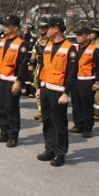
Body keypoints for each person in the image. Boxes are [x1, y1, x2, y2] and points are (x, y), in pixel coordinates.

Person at [36, 16, 77, 167]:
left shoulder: (69, 48)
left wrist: (66, 93)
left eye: (49, 27)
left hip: (59, 92)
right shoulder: (48, 45)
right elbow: (43, 67)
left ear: (56, 29)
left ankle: (60, 153)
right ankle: (49, 149)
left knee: (59, 123)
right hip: (46, 89)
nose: (46, 30)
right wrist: (40, 87)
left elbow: (72, 73)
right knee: (47, 121)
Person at [0, 15, 27, 147]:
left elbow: (23, 65)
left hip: (12, 81)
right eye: (4, 25)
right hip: (1, 78)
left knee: (11, 108)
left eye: (7, 25)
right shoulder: (2, 42)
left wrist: (18, 82)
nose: (4, 27)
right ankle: (3, 132)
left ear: (15, 27)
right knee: (1, 107)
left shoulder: (20, 44)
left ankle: (13, 135)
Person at [69, 26, 98, 138]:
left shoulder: (94, 50)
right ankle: (78, 125)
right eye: (77, 34)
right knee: (76, 104)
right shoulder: (74, 49)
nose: (78, 37)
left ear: (88, 36)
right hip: (75, 80)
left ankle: (87, 127)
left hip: (87, 81)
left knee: (87, 105)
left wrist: (97, 82)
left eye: (81, 34)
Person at [28, 17, 49, 120]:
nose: (42, 30)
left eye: (44, 28)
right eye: (41, 28)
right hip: (39, 67)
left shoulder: (52, 40)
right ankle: (40, 111)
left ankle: (48, 112)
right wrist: (31, 65)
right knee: (38, 90)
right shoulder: (38, 41)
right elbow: (34, 52)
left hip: (49, 69)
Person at [20, 23, 38, 97]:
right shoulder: (22, 37)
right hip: (24, 58)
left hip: (31, 58)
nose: (23, 30)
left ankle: (32, 91)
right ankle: (27, 91)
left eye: (25, 28)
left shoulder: (34, 38)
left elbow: (34, 49)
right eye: (23, 28)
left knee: (31, 76)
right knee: (26, 76)